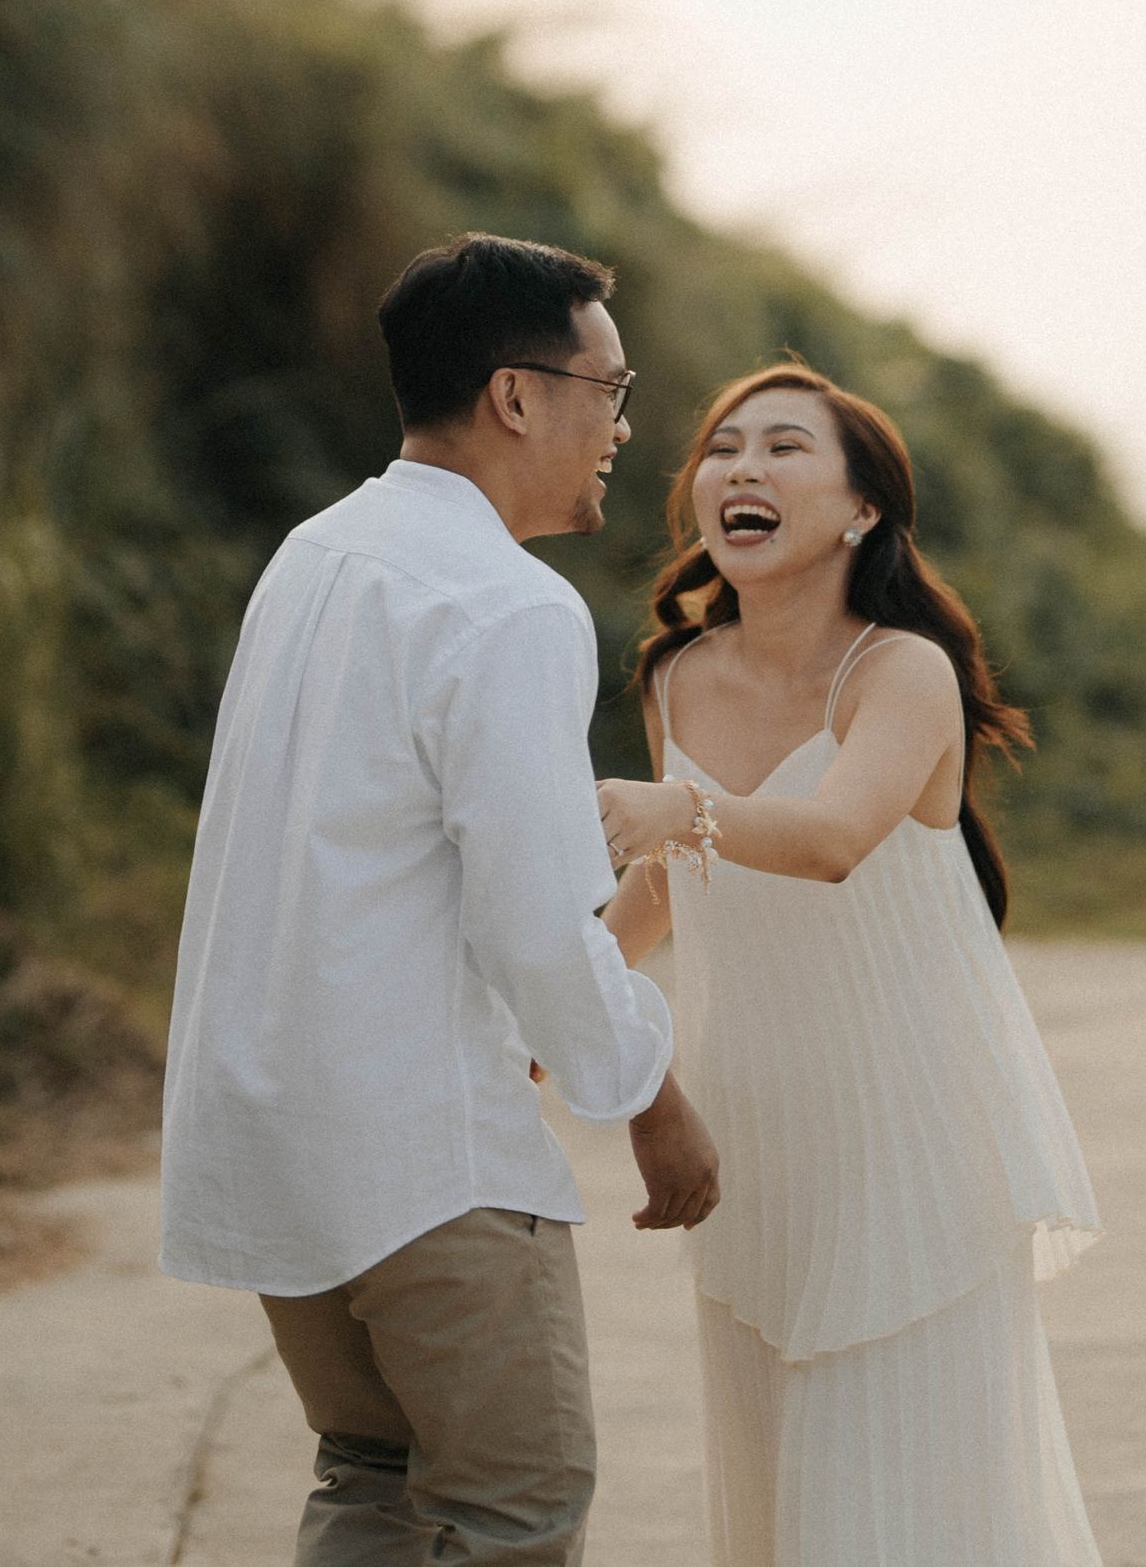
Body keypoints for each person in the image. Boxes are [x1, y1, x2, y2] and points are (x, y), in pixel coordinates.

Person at [161, 232, 719, 1567]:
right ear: (516, 394)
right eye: (611, 388)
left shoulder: (311, 555)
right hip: (423, 1150)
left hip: (269, 1126)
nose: (622, 428)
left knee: (371, 1477)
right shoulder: (507, 605)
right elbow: (536, 920)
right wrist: (653, 1100)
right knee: (515, 1508)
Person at [597, 364, 1104, 1567]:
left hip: (907, 1138)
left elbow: (829, 840)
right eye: (722, 449)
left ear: (862, 508)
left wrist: (676, 810)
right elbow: (667, 882)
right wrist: (547, 1008)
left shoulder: (901, 670)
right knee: (777, 1492)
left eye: (784, 448)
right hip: (755, 1136)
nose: (742, 469)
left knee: (902, 1494)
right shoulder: (675, 676)